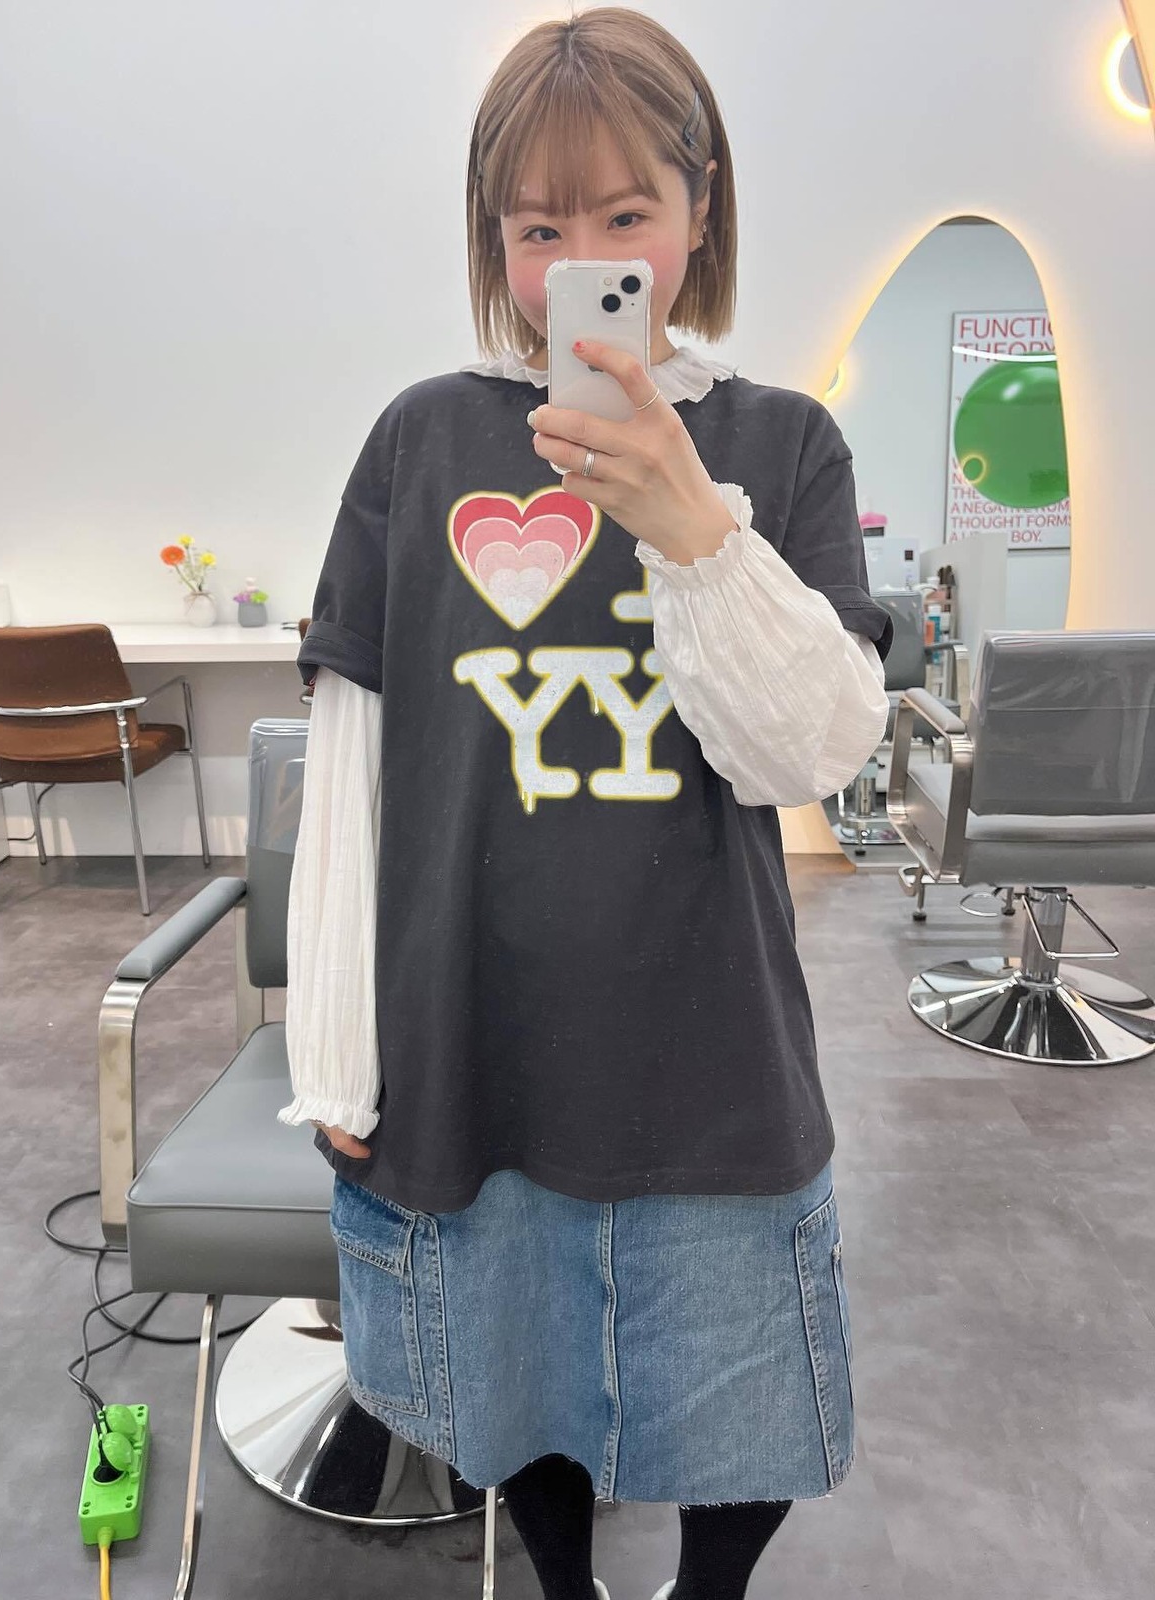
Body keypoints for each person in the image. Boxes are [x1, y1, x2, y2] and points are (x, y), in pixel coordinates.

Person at [279, 9, 892, 1599]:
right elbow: (353, 743)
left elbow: (811, 753)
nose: (579, 265)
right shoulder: (422, 439)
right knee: (516, 1390)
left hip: (710, 1041)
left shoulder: (782, 444)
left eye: (625, 216)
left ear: (701, 208)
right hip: (475, 1035)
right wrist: (334, 1046)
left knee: (750, 1406)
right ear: (494, 235)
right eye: (539, 228)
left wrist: (693, 525)